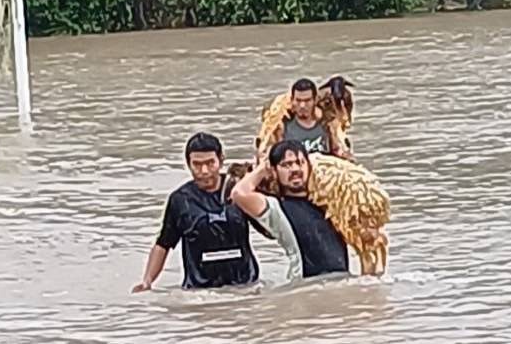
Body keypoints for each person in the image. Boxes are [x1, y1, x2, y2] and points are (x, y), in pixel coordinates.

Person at [132, 132, 261, 292]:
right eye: (197, 164)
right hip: (200, 292)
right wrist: (147, 281)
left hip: (246, 286)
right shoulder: (180, 200)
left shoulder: (239, 191)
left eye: (210, 163)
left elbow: (269, 224)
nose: (205, 171)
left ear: (221, 160)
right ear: (188, 164)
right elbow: (163, 244)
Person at [231, 140, 349, 280]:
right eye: (286, 165)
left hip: (343, 283)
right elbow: (239, 194)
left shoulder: (329, 202)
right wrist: (262, 168)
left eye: (300, 163)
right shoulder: (276, 209)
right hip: (305, 287)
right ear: (274, 171)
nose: (295, 169)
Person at [283, 78, 353, 160]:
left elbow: (337, 149)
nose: (302, 105)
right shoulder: (283, 125)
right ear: (292, 100)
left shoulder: (327, 124)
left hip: (323, 167)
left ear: (315, 100)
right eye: (298, 100)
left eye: (307, 100)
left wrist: (345, 156)